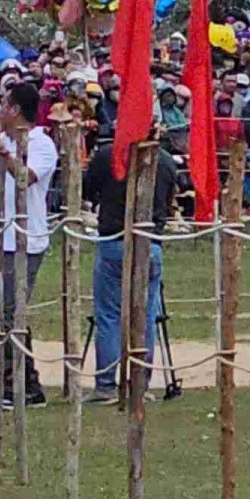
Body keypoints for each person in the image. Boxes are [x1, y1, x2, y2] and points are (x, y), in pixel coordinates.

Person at [0, 82, 56, 406]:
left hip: (26, 241)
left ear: (15, 109)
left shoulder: (43, 144)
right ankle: (22, 382)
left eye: (3, 104)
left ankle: (19, 383)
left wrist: (3, 151)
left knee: (11, 309)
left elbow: (24, 177)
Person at [81, 131, 177, 403]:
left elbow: (89, 190)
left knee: (109, 315)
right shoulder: (167, 161)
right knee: (145, 316)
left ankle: (106, 385)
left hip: (114, 241)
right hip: (150, 245)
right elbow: (168, 199)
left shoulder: (106, 155)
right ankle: (140, 384)